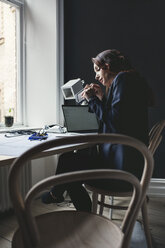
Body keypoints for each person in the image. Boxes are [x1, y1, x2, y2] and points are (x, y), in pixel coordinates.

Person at [42, 49, 153, 212]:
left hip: (120, 173)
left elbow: (113, 123)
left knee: (69, 165)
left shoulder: (123, 79)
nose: (96, 77)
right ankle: (61, 197)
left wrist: (92, 99)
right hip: (130, 167)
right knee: (68, 161)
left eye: (97, 70)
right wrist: (102, 98)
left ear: (106, 66)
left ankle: (69, 203)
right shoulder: (132, 80)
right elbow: (120, 120)